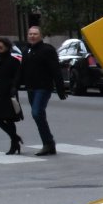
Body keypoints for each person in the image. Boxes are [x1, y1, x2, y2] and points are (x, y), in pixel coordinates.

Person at [21, 23, 63, 155]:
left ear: (41, 36)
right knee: (39, 115)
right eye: (30, 34)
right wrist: (15, 85)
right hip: (30, 87)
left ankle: (48, 142)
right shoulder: (26, 50)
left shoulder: (47, 50)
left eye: (35, 34)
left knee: (36, 113)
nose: (32, 36)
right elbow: (22, 70)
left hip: (43, 87)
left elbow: (55, 69)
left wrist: (60, 88)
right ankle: (49, 144)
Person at [0, 36, 24, 155]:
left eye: (1, 47)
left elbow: (18, 76)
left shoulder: (14, 61)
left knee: (9, 118)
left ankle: (14, 144)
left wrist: (14, 87)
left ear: (7, 47)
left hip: (9, 92)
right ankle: (15, 138)